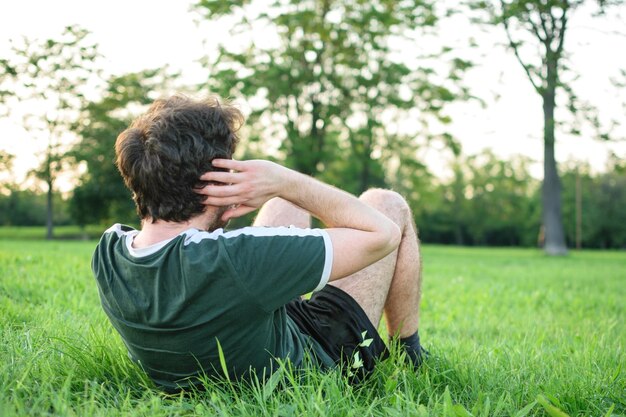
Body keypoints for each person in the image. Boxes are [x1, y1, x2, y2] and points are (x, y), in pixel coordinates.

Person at [92, 95, 426, 392]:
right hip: (319, 366)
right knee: (386, 202)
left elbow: (195, 260)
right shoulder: (237, 259)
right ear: (215, 181)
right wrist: (283, 179)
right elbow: (382, 234)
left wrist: (270, 198)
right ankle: (408, 355)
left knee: (285, 205)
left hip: (242, 335)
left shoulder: (109, 251)